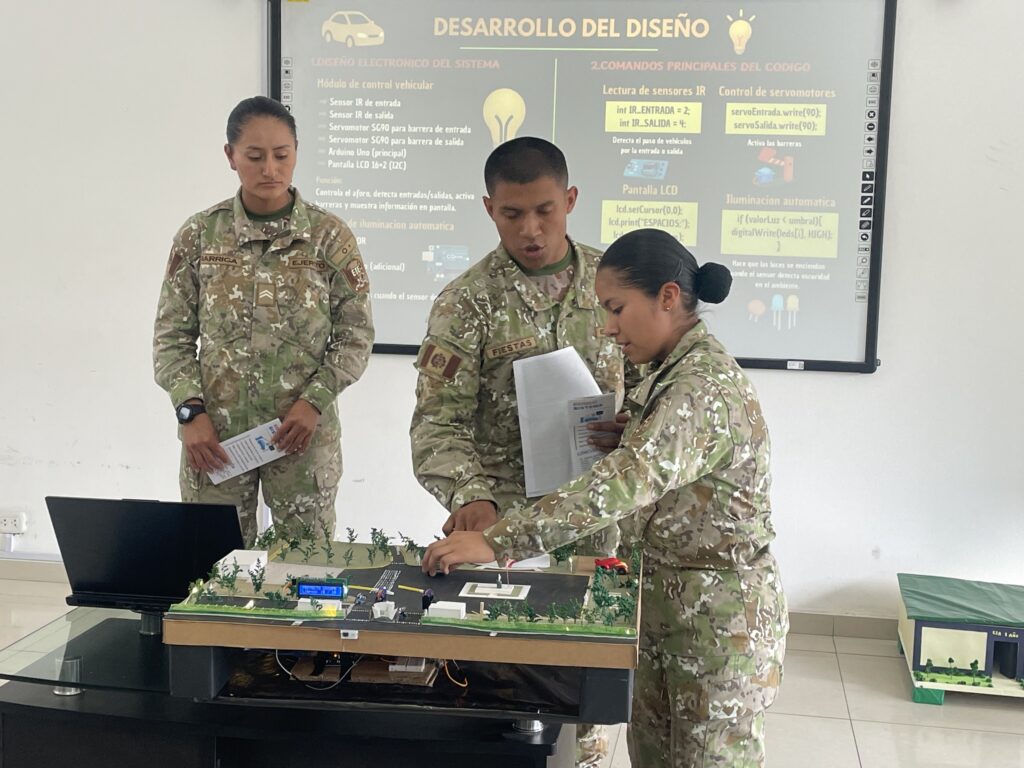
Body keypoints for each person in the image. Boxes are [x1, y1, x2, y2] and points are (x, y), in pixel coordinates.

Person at [421, 228, 788, 768]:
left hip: (716, 626)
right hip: (666, 609)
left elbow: (618, 485)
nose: (609, 327)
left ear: (667, 297)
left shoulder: (699, 388)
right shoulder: (666, 376)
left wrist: (498, 541)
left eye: (617, 309)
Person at [409, 137, 627, 767]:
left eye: (544, 211)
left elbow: (656, 391)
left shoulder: (614, 285)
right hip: (503, 531)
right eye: (512, 214)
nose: (530, 229)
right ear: (489, 208)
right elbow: (437, 424)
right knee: (509, 694)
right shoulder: (466, 302)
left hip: (598, 524)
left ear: (571, 200)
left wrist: (631, 426)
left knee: (591, 697)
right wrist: (470, 497)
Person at [154, 96, 374, 547]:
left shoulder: (328, 237)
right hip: (216, 440)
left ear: (296, 153)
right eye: (255, 156)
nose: (270, 169)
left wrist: (313, 402)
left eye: (282, 155)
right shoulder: (200, 235)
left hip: (301, 438)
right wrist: (189, 412)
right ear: (230, 156)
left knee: (304, 566)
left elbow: (355, 335)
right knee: (212, 565)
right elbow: (171, 337)